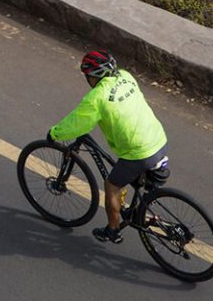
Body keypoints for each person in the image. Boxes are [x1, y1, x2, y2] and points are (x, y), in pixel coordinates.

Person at [46, 50, 168, 244]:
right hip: (158, 139)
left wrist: (54, 134)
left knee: (112, 186)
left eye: (88, 76)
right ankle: (139, 209)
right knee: (136, 181)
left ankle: (112, 231)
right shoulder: (126, 76)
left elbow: (78, 123)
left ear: (94, 76)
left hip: (138, 152)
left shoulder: (97, 97)